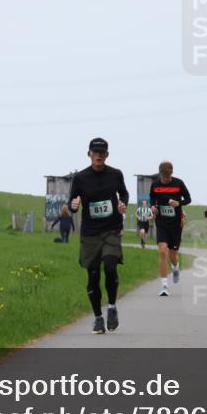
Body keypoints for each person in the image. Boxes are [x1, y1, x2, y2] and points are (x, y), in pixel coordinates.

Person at [67, 137, 128, 334]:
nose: (98, 155)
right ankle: (98, 318)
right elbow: (72, 203)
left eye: (102, 152)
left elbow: (124, 193)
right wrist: (73, 206)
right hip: (90, 233)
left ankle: (111, 307)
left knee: (110, 266)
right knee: (93, 275)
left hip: (111, 229)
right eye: (95, 152)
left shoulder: (116, 174)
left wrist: (123, 203)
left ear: (107, 155)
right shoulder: (80, 178)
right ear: (89, 154)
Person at [149, 160, 191, 296]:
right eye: (164, 177)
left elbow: (188, 199)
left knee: (173, 255)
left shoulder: (178, 183)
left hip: (176, 224)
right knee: (162, 252)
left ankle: (175, 267)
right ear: (160, 174)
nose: (166, 179)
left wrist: (178, 203)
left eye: (168, 177)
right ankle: (164, 286)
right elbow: (152, 199)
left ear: (171, 173)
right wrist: (153, 207)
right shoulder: (155, 185)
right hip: (161, 222)